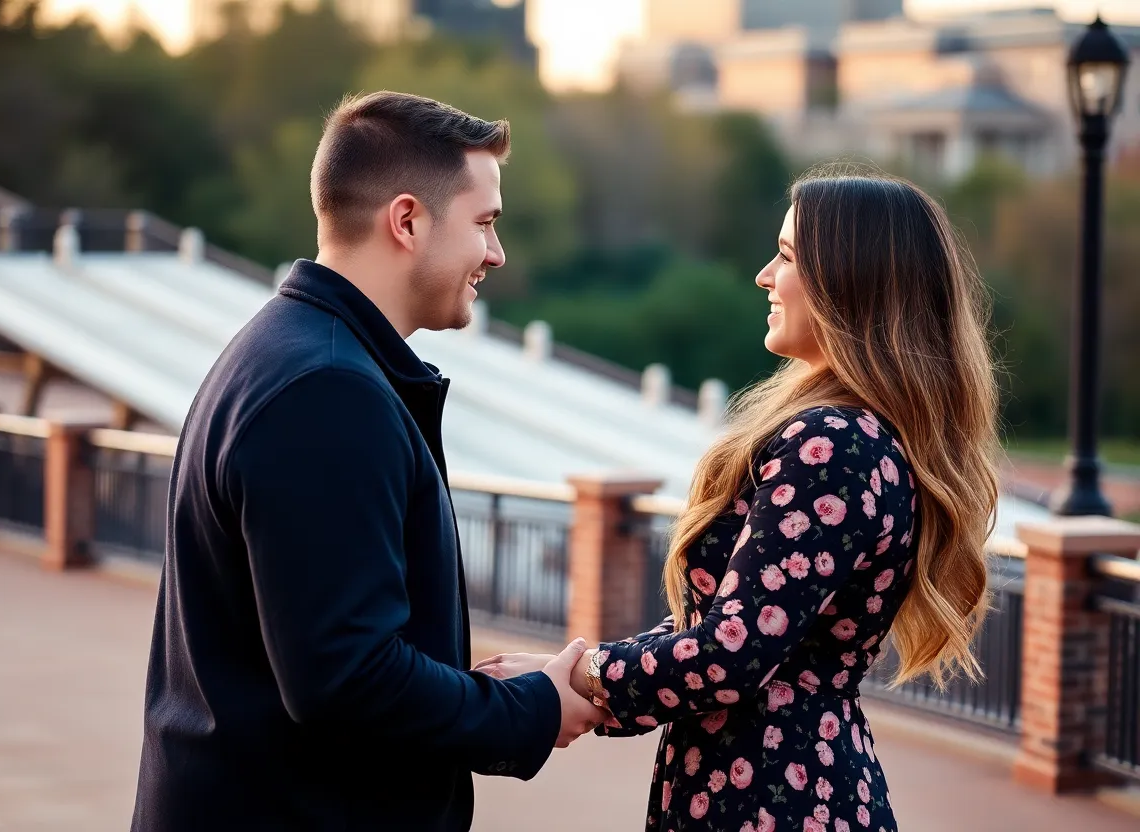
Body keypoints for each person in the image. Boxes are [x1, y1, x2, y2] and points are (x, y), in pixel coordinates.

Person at [130, 91, 605, 832]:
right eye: (484, 223)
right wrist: (528, 709)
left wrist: (468, 688)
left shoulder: (290, 350)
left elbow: (328, 648)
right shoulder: (326, 390)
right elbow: (345, 680)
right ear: (408, 220)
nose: (496, 253)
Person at [476, 169, 1001, 831]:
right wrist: (574, 673)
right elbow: (735, 626)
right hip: (770, 785)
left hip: (775, 798)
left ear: (851, 281)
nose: (763, 275)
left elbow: (731, 654)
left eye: (785, 257)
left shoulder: (832, 443)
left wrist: (578, 681)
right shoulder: (851, 433)